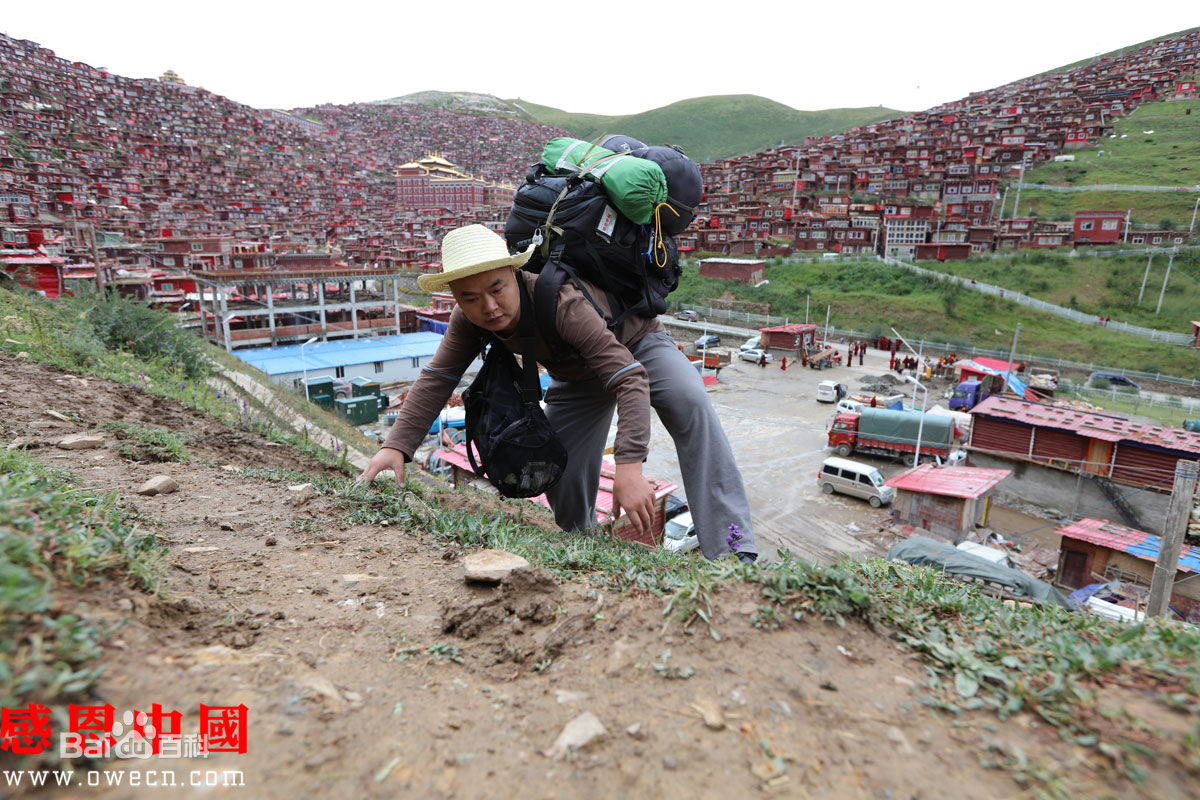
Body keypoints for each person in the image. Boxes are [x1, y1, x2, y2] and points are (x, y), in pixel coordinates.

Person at [357, 225, 757, 563]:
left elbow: (630, 378)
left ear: (513, 273)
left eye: (497, 288)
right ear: (457, 298)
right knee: (558, 471)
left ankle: (732, 550)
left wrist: (629, 466)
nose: (489, 307)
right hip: (577, 375)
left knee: (689, 400)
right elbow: (439, 376)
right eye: (471, 298)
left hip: (634, 344)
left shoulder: (560, 300)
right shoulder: (469, 319)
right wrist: (397, 446)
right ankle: (587, 551)